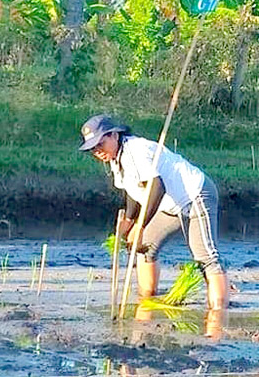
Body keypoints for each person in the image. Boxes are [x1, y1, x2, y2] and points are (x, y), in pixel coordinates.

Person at [79, 114, 229, 316]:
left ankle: (218, 315)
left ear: (114, 135)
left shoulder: (136, 150)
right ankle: (146, 301)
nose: (98, 151)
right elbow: (133, 191)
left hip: (194, 195)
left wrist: (140, 227)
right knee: (144, 248)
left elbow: (156, 187)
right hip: (170, 204)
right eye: (93, 149)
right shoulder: (115, 160)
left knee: (206, 258)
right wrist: (129, 222)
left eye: (100, 144)